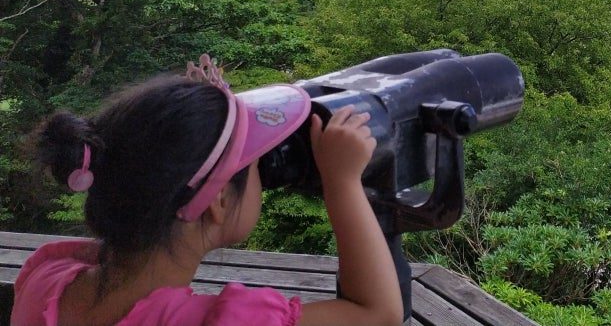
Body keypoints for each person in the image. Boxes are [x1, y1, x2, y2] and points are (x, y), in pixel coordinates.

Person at [11, 55, 404, 326]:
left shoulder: (45, 277)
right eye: (255, 165)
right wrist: (343, 182)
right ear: (217, 201)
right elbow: (376, 313)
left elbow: (135, 196)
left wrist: (199, 124)